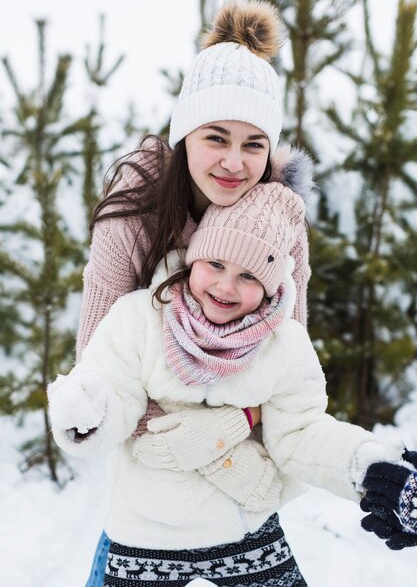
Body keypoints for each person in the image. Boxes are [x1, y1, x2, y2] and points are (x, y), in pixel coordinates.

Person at [48, 180, 406, 586]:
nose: (225, 286)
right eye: (215, 264)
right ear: (193, 258)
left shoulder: (283, 345)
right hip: (146, 537)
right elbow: (115, 394)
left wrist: (365, 463)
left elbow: (301, 432)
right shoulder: (139, 319)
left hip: (246, 533)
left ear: (271, 285)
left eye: (249, 275)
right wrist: (88, 411)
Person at [73, 0, 314, 584]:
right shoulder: (139, 207)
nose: (235, 162)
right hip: (149, 481)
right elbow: (95, 370)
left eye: (254, 143)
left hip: (239, 485)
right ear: (185, 133)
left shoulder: (279, 214)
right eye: (216, 136)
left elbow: (292, 356)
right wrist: (184, 433)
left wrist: (239, 424)